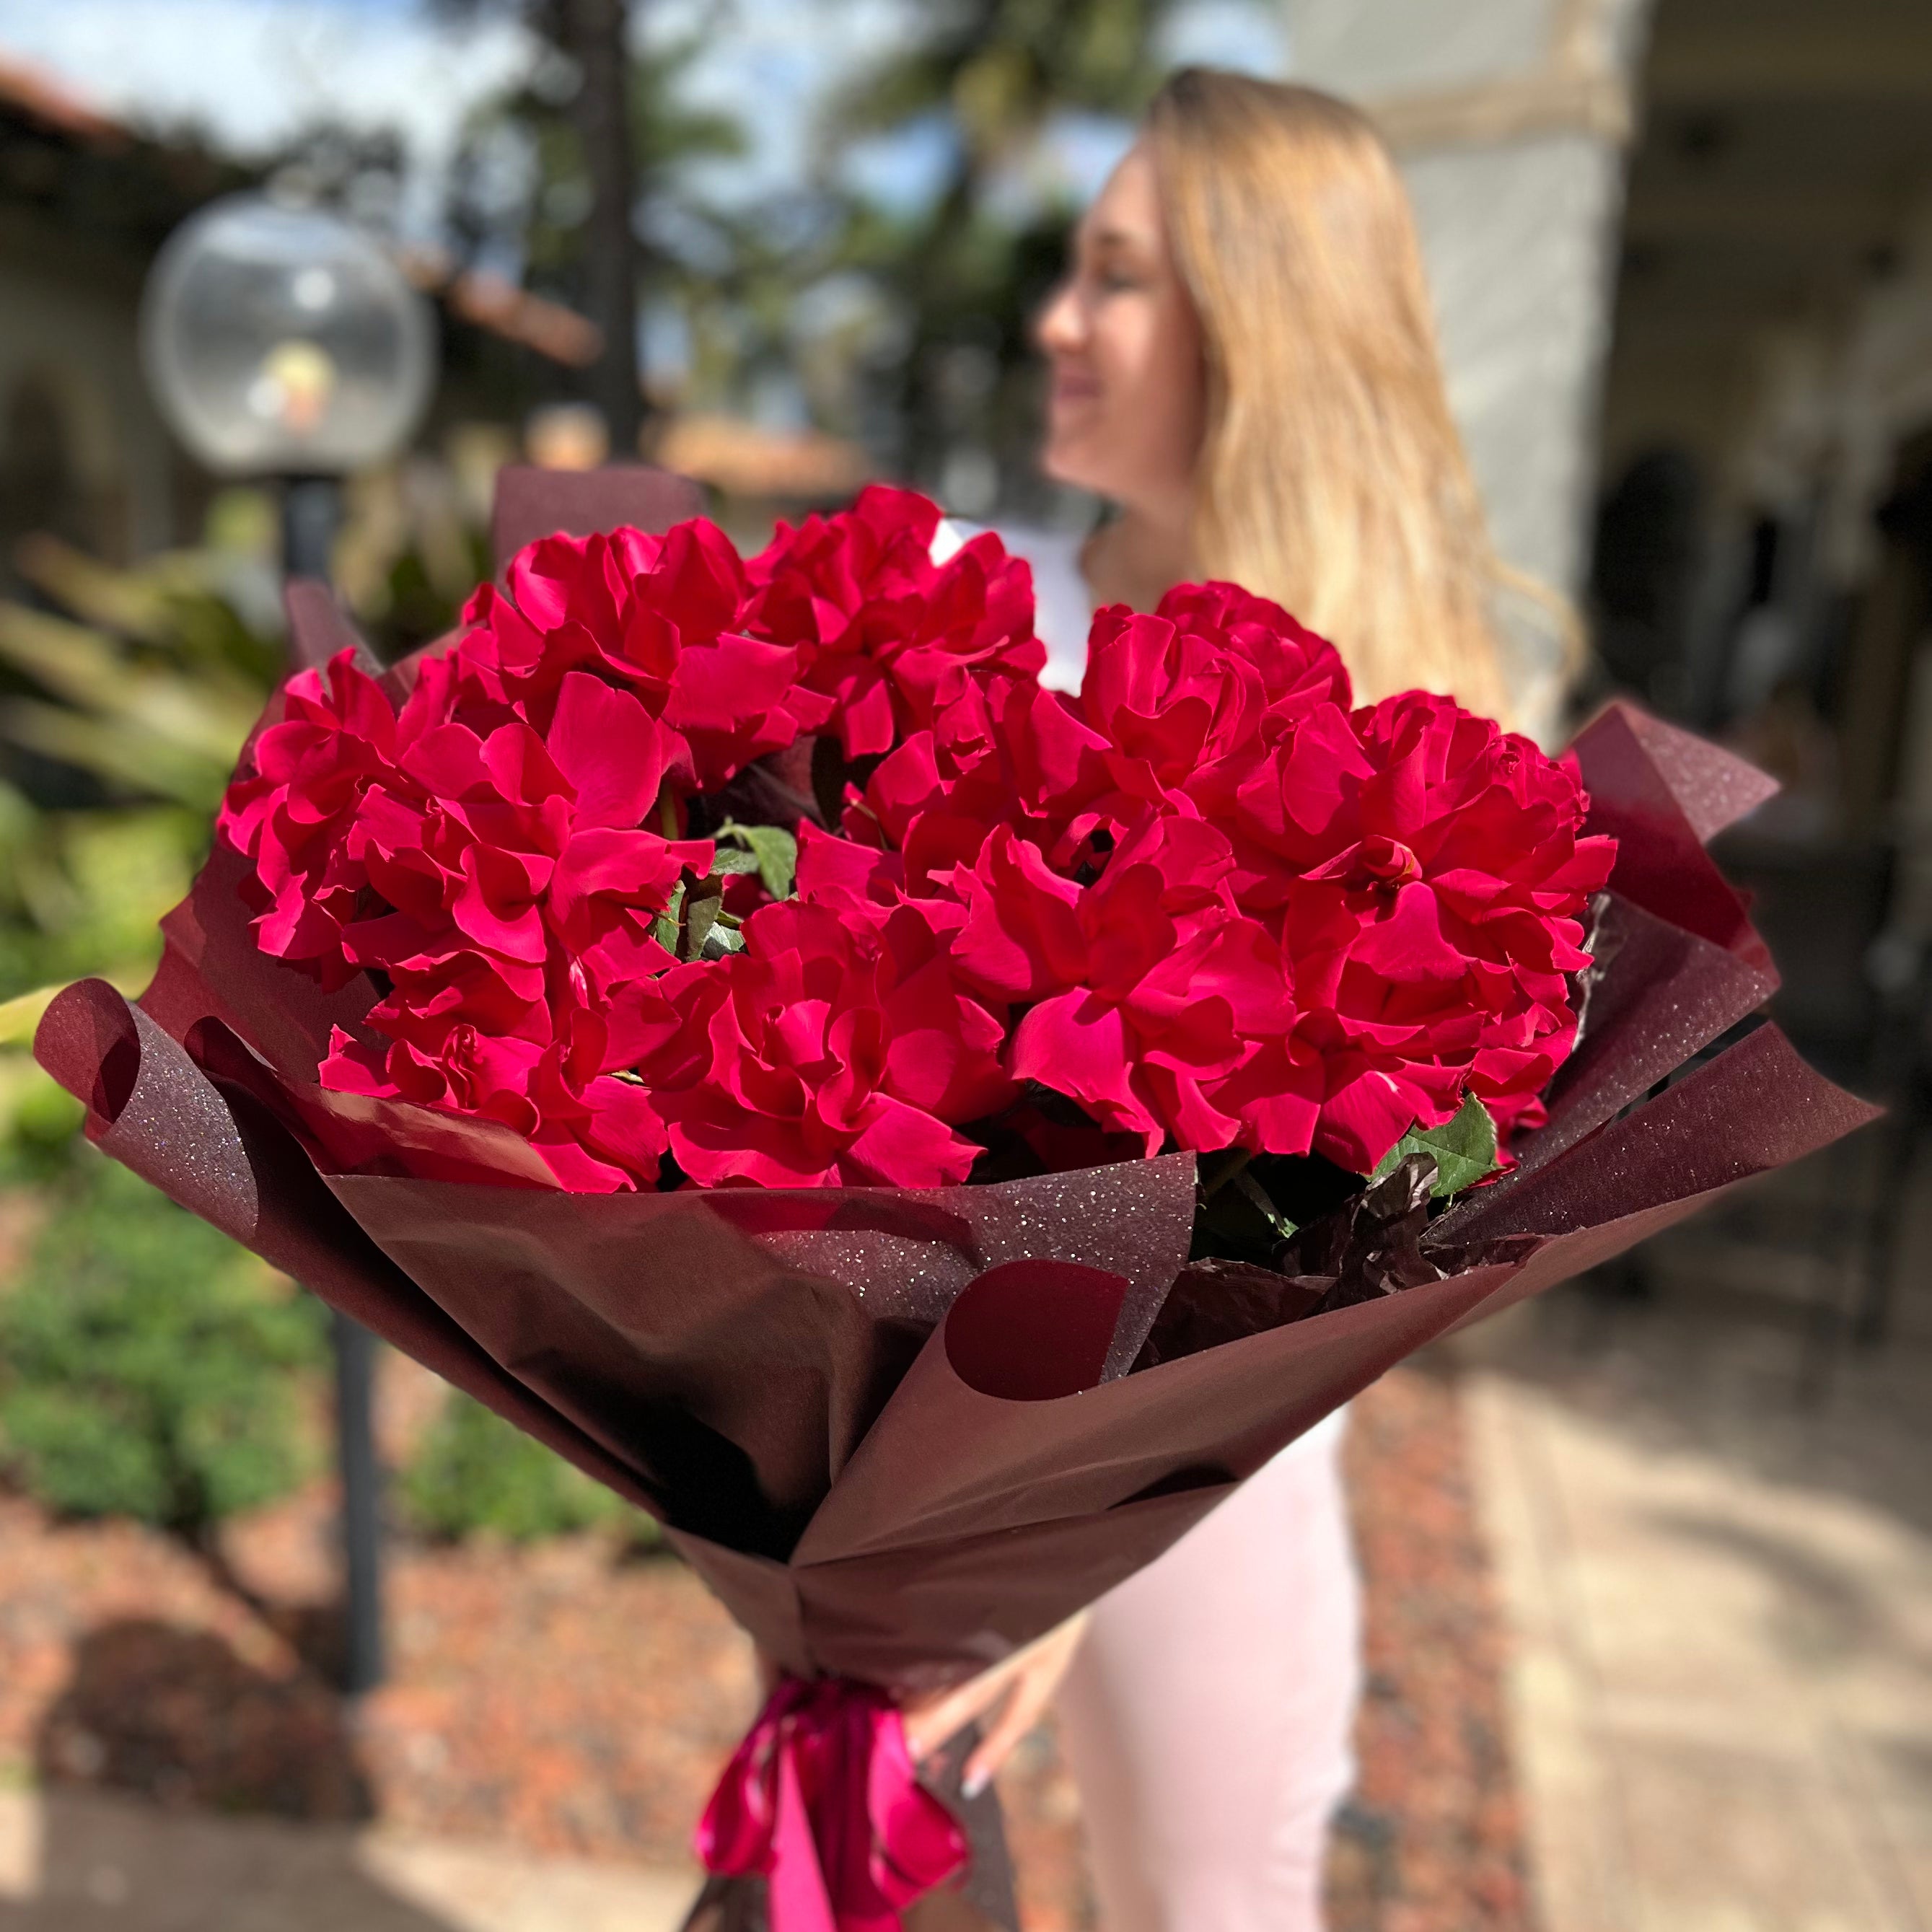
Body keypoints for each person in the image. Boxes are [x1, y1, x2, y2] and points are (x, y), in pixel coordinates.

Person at [904, 69, 1555, 1932]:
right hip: (900, 1449)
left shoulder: (1411, 721)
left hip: (1209, 1480)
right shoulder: (953, 606)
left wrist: (1079, 1537)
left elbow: (1362, 1235)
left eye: (1117, 279)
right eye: (1074, 271)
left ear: (1260, 321)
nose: (1056, 321)